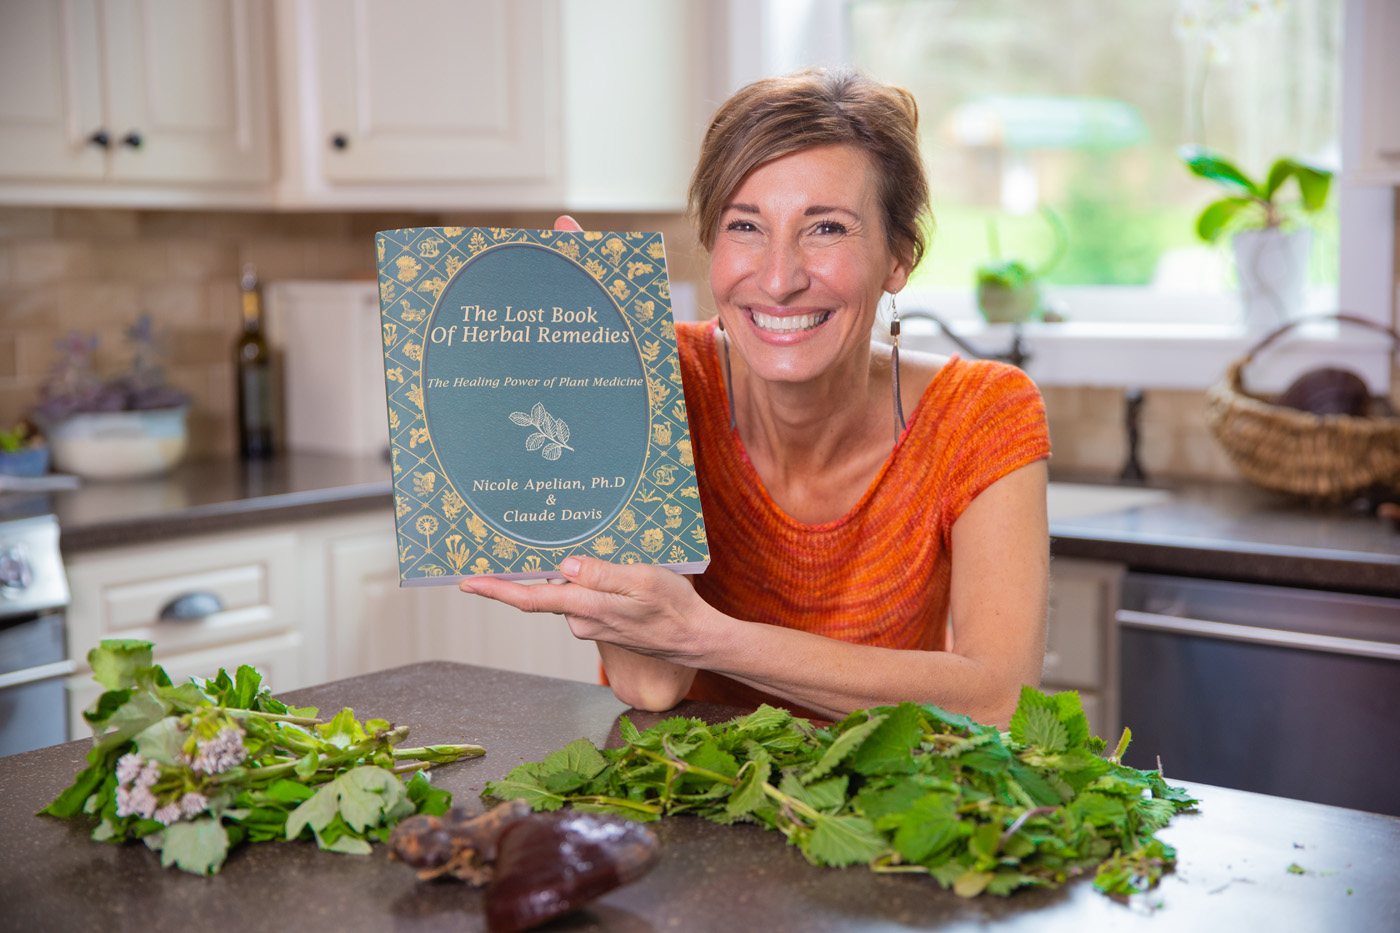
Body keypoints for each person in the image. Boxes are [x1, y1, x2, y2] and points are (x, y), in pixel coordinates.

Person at [460, 67, 1050, 728]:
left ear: (898, 257)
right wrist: (601, 387)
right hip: (687, 800)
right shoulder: (655, 377)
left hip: (883, 812)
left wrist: (707, 635)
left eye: (825, 228)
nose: (778, 278)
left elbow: (998, 703)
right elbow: (649, 681)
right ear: (712, 244)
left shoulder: (981, 413)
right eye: (745, 227)